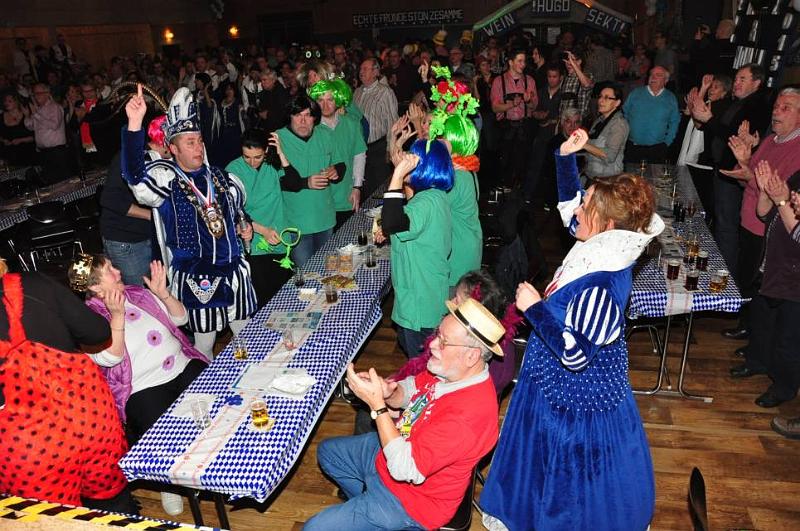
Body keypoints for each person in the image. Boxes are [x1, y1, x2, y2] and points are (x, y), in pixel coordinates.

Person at [480, 128, 661, 531]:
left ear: (607, 224)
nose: (578, 209)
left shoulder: (604, 283)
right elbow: (568, 209)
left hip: (576, 404)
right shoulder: (599, 244)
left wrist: (535, 309)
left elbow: (576, 356)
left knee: (571, 481)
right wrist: (565, 157)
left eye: (587, 205)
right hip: (551, 386)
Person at [305, 297, 504, 530]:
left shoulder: (469, 418)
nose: (432, 344)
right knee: (328, 453)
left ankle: (375, 514)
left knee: (313, 528)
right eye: (438, 334)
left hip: (411, 500)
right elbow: (411, 389)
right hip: (395, 447)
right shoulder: (452, 371)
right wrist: (389, 392)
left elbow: (404, 468)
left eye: (443, 341)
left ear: (471, 356)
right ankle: (366, 508)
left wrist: (378, 405)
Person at [121, 85, 257, 358]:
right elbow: (135, 178)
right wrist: (134, 125)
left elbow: (236, 211)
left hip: (234, 272)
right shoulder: (166, 179)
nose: (198, 147)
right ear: (173, 148)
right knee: (205, 345)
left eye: (200, 140)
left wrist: (246, 224)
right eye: (190, 142)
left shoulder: (220, 177)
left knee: (250, 337)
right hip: (198, 278)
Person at [71, 256, 208, 515]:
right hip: (142, 386)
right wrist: (117, 316)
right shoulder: (88, 318)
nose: (118, 271)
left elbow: (181, 319)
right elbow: (110, 358)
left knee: (219, 400)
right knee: (161, 432)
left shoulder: (137, 293)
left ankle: (216, 456)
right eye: (110, 270)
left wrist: (163, 294)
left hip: (181, 364)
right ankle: (168, 483)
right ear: (96, 287)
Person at [0, 258, 136, 514]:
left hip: (30, 446)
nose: (118, 272)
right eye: (110, 269)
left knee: (57, 518)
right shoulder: (34, 283)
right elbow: (98, 334)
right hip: (89, 417)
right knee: (111, 500)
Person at [691, 64, 770, 307]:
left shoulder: (756, 105)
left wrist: (710, 119)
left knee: (727, 228)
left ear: (757, 83)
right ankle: (721, 275)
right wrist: (708, 118)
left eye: (742, 79)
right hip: (723, 170)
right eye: (736, 78)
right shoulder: (737, 103)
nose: (736, 83)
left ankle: (725, 283)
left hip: (735, 175)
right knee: (723, 224)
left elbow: (735, 138)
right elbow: (722, 131)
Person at [729, 160, 800, 412]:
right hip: (773, 268)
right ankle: (758, 361)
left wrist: (780, 201)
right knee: (763, 321)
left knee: (788, 339)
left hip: (793, 279)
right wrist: (764, 191)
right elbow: (764, 215)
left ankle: (784, 388)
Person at [380, 140, 452, 358]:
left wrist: (397, 175)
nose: (406, 160)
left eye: (412, 158)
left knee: (421, 363)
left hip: (420, 300)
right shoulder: (435, 195)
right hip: (428, 292)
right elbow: (405, 218)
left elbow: (393, 222)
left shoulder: (425, 203)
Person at [226, 129, 294, 306]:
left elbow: (294, 183)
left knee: (285, 294)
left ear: (266, 151)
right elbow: (234, 210)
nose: (252, 162)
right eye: (246, 157)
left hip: (279, 235)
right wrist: (263, 230)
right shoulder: (233, 170)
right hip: (254, 239)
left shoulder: (273, 163)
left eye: (257, 157)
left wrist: (280, 153)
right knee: (263, 296)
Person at [277, 94, 345, 267]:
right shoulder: (278, 139)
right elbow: (275, 182)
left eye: (307, 115)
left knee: (329, 271)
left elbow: (341, 164)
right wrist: (305, 183)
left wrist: (336, 171)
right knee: (306, 274)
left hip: (325, 218)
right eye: (297, 115)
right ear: (290, 117)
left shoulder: (325, 135)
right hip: (296, 223)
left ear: (315, 118)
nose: (302, 121)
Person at [309, 79, 368, 228]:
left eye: (330, 100)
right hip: (320, 200)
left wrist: (357, 187)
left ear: (338, 100)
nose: (325, 105)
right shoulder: (310, 128)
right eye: (320, 100)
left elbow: (359, 156)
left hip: (346, 196)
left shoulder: (351, 124)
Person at [490, 48, 538, 188]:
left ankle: (519, 192)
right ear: (511, 62)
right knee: (504, 162)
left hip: (524, 127)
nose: (523, 64)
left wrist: (528, 101)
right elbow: (495, 107)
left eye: (524, 61)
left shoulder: (530, 81)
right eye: (520, 61)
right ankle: (504, 189)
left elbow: (534, 106)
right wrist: (512, 104)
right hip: (505, 127)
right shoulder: (499, 81)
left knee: (522, 163)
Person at [354, 57, 399, 197]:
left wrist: (390, 148)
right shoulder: (357, 92)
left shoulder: (385, 92)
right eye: (360, 69)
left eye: (365, 69)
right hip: (359, 148)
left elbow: (392, 121)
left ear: (375, 72)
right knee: (363, 186)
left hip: (378, 148)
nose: (361, 72)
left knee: (379, 188)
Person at [623, 66, 680, 163]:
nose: (653, 77)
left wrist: (667, 142)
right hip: (633, 146)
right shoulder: (636, 93)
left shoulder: (670, 98)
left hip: (657, 149)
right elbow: (624, 113)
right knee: (631, 172)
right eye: (651, 74)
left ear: (666, 80)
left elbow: (675, 122)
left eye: (658, 75)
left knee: (655, 172)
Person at [24, 82, 72, 183]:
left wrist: (36, 114)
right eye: (34, 94)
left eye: (39, 93)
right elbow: (30, 127)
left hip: (57, 152)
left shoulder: (55, 107)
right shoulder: (39, 109)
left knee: (63, 181)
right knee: (51, 182)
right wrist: (27, 115)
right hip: (44, 152)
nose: (36, 96)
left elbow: (54, 125)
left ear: (47, 93)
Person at [583, 82, 629, 178]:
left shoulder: (619, 124)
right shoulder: (599, 121)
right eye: (600, 96)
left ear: (617, 103)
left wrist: (583, 145)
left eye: (607, 97)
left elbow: (609, 156)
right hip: (592, 175)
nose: (601, 100)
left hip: (609, 179)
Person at [0, 92, 35, 166]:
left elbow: (35, 136)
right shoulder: (1, 116)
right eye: (5, 101)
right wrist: (3, 140)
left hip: (27, 154)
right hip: (8, 155)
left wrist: (21, 140)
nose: (6, 103)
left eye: (10, 101)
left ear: (17, 102)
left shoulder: (26, 114)